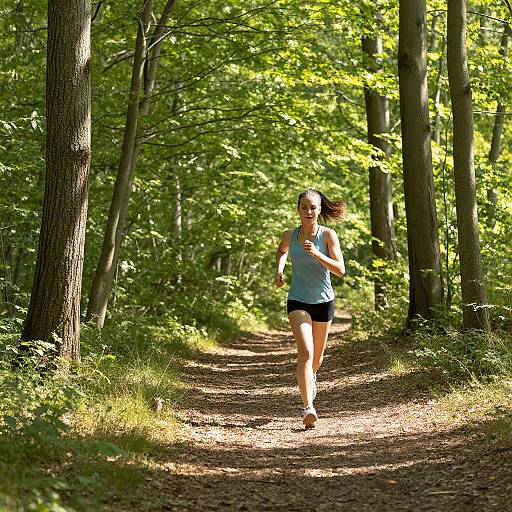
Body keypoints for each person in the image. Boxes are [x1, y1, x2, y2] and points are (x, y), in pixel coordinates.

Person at [275, 189, 345, 428]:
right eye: (303, 207)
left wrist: (316, 254)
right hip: (298, 301)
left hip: (324, 302)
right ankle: (308, 408)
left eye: (312, 207)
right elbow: (282, 251)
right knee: (305, 352)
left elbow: (340, 270)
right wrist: (279, 270)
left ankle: (311, 378)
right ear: (298, 210)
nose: (308, 211)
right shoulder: (289, 235)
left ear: (319, 210)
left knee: (316, 359)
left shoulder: (328, 235)